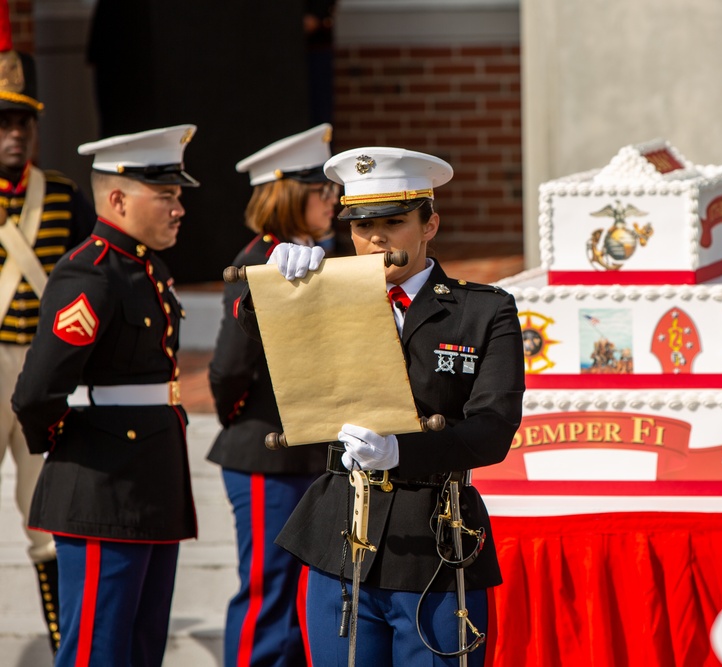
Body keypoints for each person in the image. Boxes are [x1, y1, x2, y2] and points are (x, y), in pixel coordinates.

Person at [237, 147, 525, 665]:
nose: (375, 239)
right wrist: (274, 291)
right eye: (361, 225)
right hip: (341, 534)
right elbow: (257, 334)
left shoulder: (484, 310)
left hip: (434, 537)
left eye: (393, 222)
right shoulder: (328, 296)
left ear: (429, 224)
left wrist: (401, 452)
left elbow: (494, 429)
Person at [11, 125, 199, 666]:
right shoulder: (88, 274)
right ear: (117, 198)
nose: (178, 208)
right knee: (98, 650)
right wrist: (72, 450)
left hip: (152, 476)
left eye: (178, 195)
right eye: (164, 195)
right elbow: (36, 393)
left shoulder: (149, 268)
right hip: (101, 483)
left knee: (142, 650)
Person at [208, 123, 335, 667]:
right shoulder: (259, 261)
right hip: (267, 451)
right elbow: (227, 369)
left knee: (307, 599)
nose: (335, 201)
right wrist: (247, 421)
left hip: (308, 451)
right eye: (322, 190)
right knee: (269, 593)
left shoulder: (316, 254)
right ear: (287, 193)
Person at [0, 14, 97, 652]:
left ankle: (66, 645)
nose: (12, 134)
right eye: (1, 124)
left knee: (45, 518)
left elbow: (86, 275)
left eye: (21, 122)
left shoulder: (61, 196)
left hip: (39, 366)